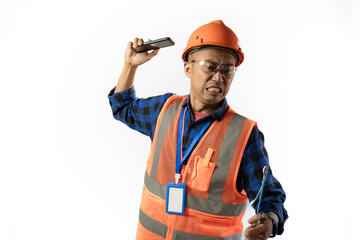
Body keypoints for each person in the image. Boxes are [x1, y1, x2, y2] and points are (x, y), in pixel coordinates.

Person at [108, 20, 288, 240]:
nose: (218, 77)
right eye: (210, 67)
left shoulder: (244, 135)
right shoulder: (163, 111)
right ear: (188, 68)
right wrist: (130, 66)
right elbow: (122, 107)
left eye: (227, 70)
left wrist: (269, 221)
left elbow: (269, 197)